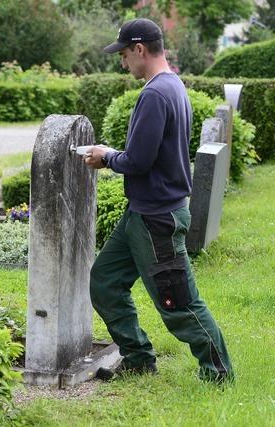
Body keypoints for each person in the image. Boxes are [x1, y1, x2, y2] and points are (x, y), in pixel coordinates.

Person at [83, 18, 233, 383]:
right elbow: (148, 154)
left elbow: (137, 161)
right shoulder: (173, 85)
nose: (122, 62)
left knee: (178, 301)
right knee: (105, 282)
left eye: (123, 54)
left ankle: (219, 373)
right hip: (142, 212)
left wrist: (106, 156)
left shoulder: (154, 93)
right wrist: (116, 153)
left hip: (157, 218)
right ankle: (137, 358)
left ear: (139, 49)